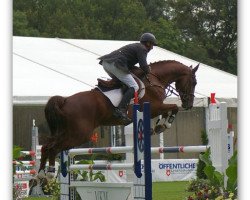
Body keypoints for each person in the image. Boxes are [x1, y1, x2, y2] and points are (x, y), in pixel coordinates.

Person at [98, 32, 157, 123]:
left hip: (107, 63)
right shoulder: (142, 48)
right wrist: (149, 70)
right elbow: (143, 66)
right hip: (116, 64)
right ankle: (120, 110)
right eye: (152, 44)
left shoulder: (136, 46)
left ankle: (114, 103)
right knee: (134, 86)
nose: (152, 48)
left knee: (125, 83)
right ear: (148, 43)